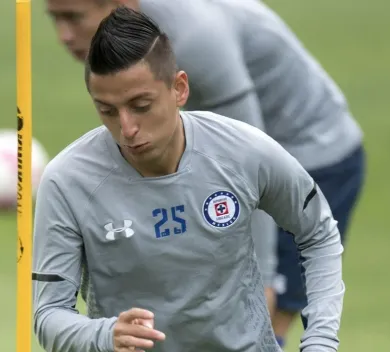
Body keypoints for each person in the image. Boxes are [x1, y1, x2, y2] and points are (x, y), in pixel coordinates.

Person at [45, 0, 365, 346]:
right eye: (106, 109)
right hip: (215, 151)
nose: (64, 35)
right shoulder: (73, 172)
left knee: (265, 312)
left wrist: (268, 275)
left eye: (74, 18)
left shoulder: (195, 40)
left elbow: (244, 162)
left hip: (313, 147)